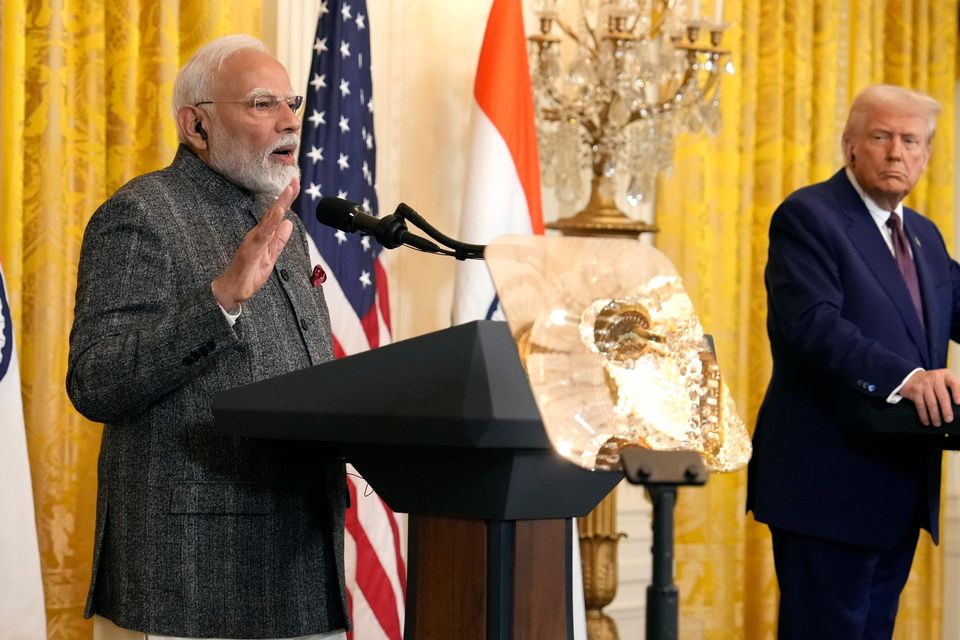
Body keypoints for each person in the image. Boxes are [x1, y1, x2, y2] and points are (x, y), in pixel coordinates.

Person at [67, 35, 349, 640]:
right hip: (192, 580)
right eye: (262, 103)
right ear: (196, 125)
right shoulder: (144, 213)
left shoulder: (289, 228)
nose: (290, 121)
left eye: (292, 102)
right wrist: (220, 300)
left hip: (301, 568)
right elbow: (96, 382)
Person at [746, 84, 960, 639]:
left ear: (926, 155)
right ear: (850, 146)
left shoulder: (925, 237)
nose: (896, 153)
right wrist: (907, 379)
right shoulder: (809, 216)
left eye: (910, 141)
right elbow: (814, 325)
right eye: (881, 137)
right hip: (826, 485)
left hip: (899, 485)